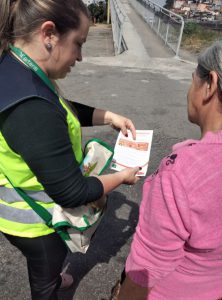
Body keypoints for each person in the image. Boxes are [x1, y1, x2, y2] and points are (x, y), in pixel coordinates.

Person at [0, 1, 140, 299]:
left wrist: (107, 116)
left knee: (44, 267)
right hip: (36, 224)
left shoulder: (16, 68)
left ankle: (48, 272)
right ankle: (48, 280)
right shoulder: (30, 104)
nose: (80, 56)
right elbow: (72, 192)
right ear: (48, 33)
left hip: (23, 206)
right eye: (78, 43)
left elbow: (59, 110)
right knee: (44, 280)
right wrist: (122, 176)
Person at [117, 40, 222, 300]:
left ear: (210, 83)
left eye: (192, 81)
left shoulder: (180, 175)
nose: (189, 91)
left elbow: (146, 271)